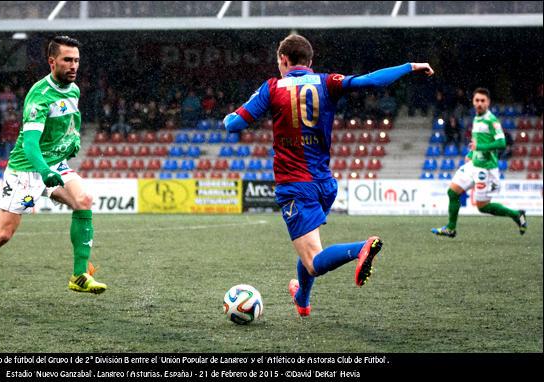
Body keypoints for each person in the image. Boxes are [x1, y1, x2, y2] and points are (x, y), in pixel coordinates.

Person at [223, 34, 434, 318]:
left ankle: (361, 248)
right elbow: (370, 80)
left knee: (313, 261)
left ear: (283, 60)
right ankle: (302, 299)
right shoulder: (326, 81)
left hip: (295, 186)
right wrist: (409, 66)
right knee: (307, 245)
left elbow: (235, 125)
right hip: (325, 184)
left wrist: (228, 118)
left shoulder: (272, 88)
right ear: (310, 61)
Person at [0, 36, 106, 310]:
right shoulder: (39, 96)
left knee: (84, 200)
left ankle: (79, 275)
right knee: (2, 235)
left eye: (76, 60)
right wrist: (43, 171)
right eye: (67, 60)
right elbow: (29, 144)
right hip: (27, 168)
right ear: (52, 62)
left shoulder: (73, 89)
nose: (74, 66)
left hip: (54, 162)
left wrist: (72, 138)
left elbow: (71, 118)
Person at [432, 88, 527, 238]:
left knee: (482, 207)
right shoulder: (476, 118)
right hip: (474, 164)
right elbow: (477, 141)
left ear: (488, 102)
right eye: (477, 100)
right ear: (473, 102)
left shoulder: (491, 120)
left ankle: (517, 215)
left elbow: (502, 143)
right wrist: (471, 153)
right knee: (452, 192)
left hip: (486, 169)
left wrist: (479, 148)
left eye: (483, 101)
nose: (479, 104)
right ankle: (450, 228)